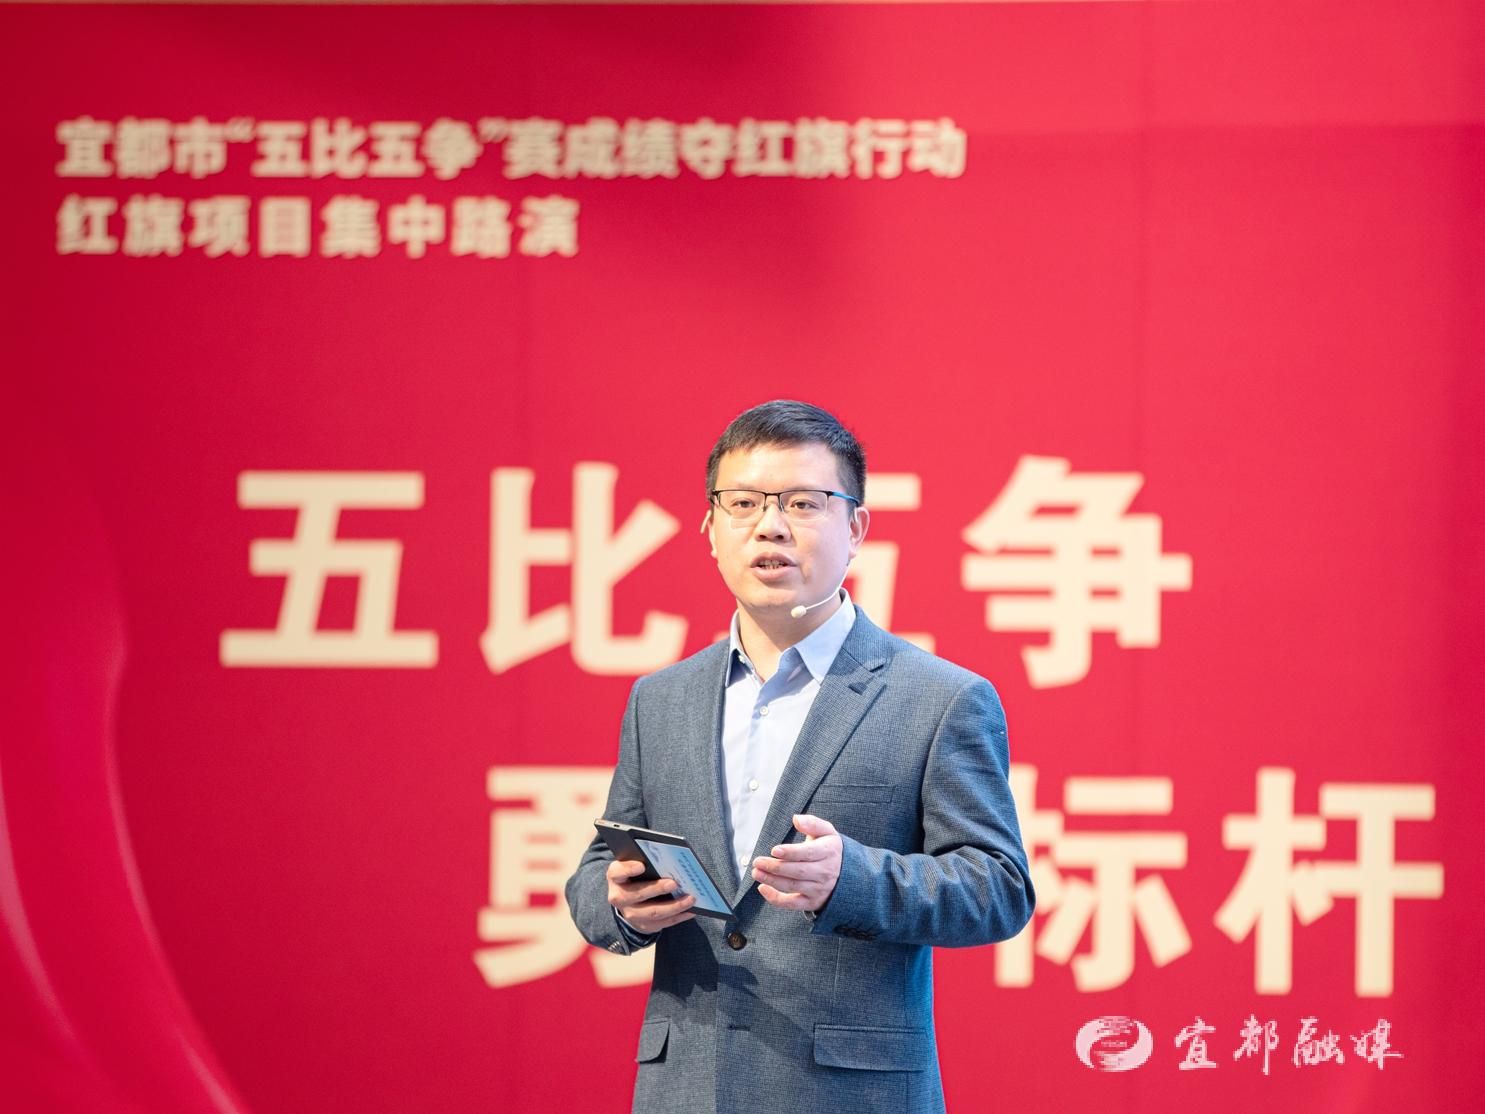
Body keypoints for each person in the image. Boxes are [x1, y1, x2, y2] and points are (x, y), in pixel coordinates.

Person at [566, 400, 1033, 1114]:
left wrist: (853, 878)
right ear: (711, 531)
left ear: (856, 529)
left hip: (850, 1091)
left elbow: (998, 888)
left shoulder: (939, 698)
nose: (770, 525)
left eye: (803, 503)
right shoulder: (660, 700)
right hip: (684, 1088)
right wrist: (620, 903)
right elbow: (598, 869)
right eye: (743, 503)